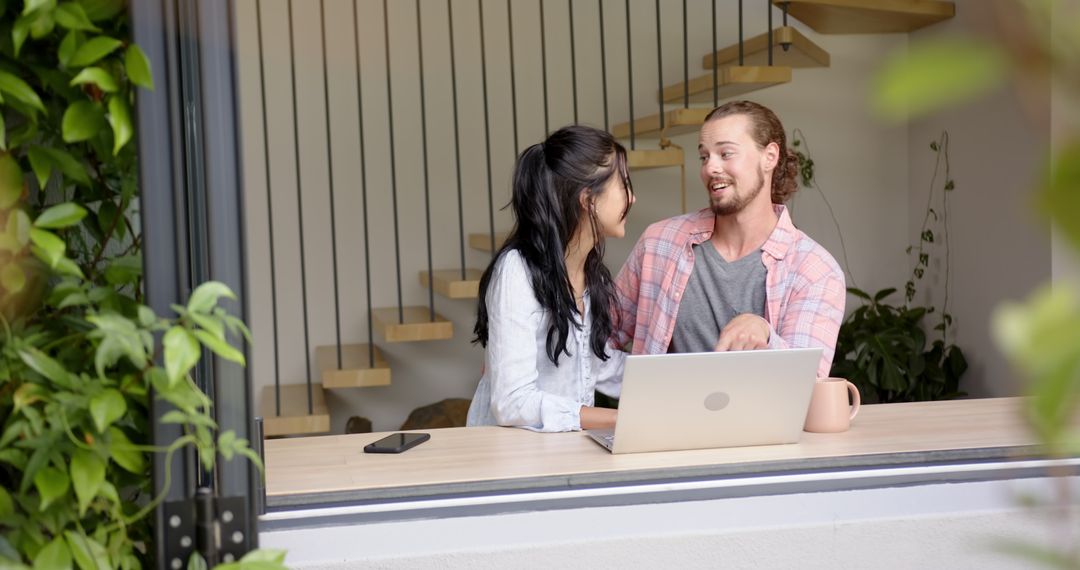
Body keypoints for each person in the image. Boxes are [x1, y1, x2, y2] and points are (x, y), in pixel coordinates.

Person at [613, 100, 844, 378]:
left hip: (763, 422)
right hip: (666, 421)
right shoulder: (659, 244)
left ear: (769, 156)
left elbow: (806, 383)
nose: (710, 168)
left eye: (726, 153)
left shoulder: (814, 269)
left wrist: (765, 334)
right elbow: (596, 337)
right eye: (704, 156)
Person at [467, 125, 635, 432]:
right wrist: (618, 420)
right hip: (508, 462)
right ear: (589, 199)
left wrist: (673, 382)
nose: (632, 198)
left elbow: (594, 364)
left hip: (560, 452)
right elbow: (512, 403)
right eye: (623, 185)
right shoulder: (517, 270)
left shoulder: (590, 271)